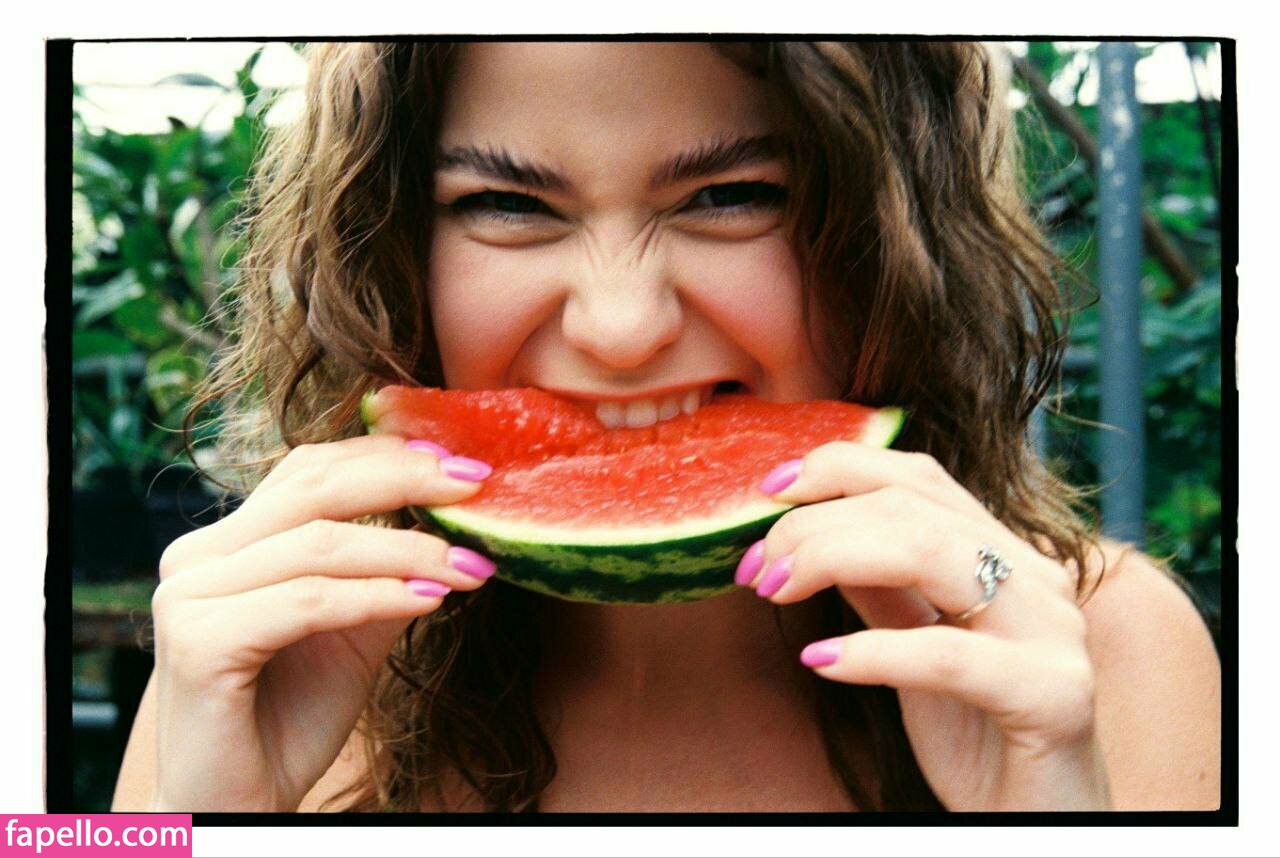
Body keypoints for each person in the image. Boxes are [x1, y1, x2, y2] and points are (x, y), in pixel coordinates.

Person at [111, 40, 1220, 813]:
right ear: (392, 253)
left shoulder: (1102, 655)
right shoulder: (264, 657)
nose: (621, 328)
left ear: (895, 234)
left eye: (733, 195)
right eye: (505, 205)